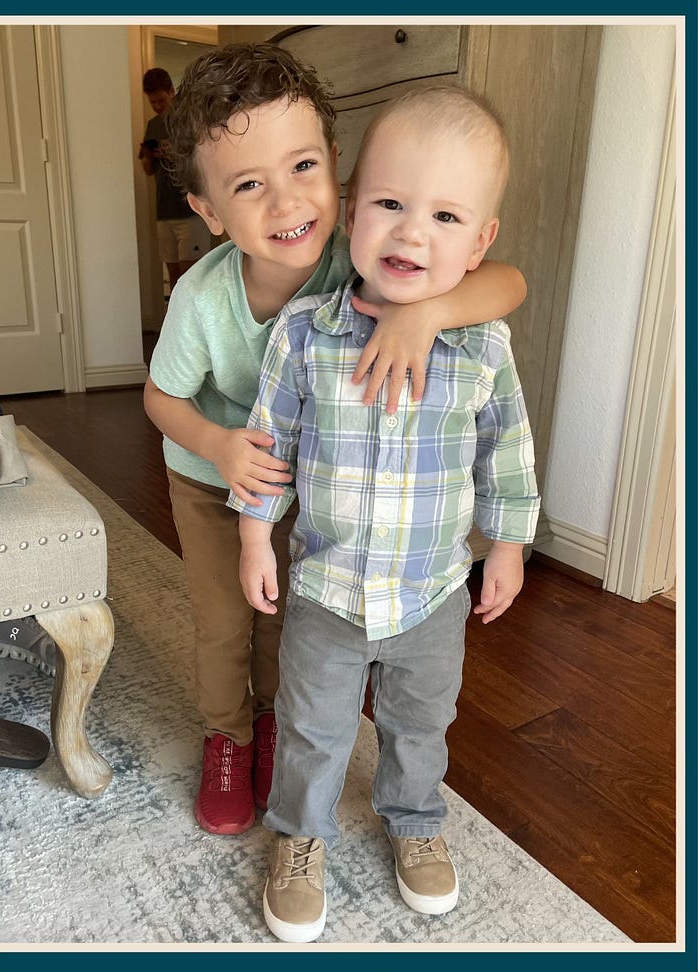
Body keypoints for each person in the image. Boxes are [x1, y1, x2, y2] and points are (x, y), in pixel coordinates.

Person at [142, 44, 528, 840]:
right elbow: (159, 397)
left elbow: (507, 284)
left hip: (321, 479)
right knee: (225, 619)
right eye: (248, 185)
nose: (287, 204)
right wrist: (218, 446)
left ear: (341, 178)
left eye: (303, 166)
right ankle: (230, 734)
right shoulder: (202, 298)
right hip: (213, 476)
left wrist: (427, 314)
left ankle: (286, 719)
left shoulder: (360, 257)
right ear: (210, 210)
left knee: (298, 617)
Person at [233, 84, 539, 942]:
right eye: (392, 205)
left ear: (480, 242)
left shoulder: (481, 346)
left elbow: (505, 449)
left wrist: (509, 544)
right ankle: (300, 835)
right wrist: (255, 532)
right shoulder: (305, 334)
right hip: (327, 588)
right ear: (353, 209)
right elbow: (271, 442)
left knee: (419, 722)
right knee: (313, 726)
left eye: (446, 217)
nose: (411, 233)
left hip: (434, 592)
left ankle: (415, 819)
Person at [139, 67, 212, 296]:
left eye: (161, 100)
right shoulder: (153, 125)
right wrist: (150, 154)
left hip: (190, 209)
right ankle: (172, 328)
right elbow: (148, 170)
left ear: (172, 91)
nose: (158, 107)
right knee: (173, 276)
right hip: (164, 211)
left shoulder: (191, 120)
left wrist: (177, 152)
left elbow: (208, 159)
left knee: (191, 276)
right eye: (153, 103)